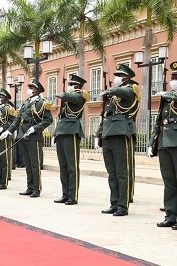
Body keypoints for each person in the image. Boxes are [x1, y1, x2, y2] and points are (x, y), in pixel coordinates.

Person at [95, 64, 140, 217]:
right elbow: (105, 116)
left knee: (122, 172)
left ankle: (123, 205)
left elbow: (125, 93)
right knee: (112, 173)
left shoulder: (130, 90)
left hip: (121, 133)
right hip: (108, 134)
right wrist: (98, 135)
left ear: (126, 78)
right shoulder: (113, 96)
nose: (116, 78)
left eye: (119, 75)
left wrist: (110, 90)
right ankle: (114, 203)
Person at [0, 79, 53, 198]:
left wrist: (36, 128)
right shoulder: (25, 102)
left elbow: (49, 120)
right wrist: (8, 131)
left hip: (33, 136)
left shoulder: (42, 102)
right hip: (22, 135)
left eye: (31, 88)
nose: (29, 90)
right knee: (28, 164)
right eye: (29, 87)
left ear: (36, 91)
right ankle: (30, 187)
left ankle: (36, 189)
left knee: (35, 163)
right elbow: (17, 120)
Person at [149, 61, 177, 229]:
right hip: (165, 142)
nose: (173, 80)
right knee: (169, 182)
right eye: (172, 77)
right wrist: (153, 141)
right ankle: (171, 214)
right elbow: (159, 121)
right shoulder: (166, 99)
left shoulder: (170, 96)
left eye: (176, 77)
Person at [53, 74, 89, 205]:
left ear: (78, 86)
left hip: (72, 130)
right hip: (62, 130)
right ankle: (65, 193)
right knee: (63, 166)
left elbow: (74, 98)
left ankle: (73, 196)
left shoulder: (81, 96)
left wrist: (64, 94)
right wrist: (56, 133)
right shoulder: (68, 97)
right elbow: (61, 115)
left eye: (72, 85)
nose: (70, 86)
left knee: (72, 166)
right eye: (70, 84)